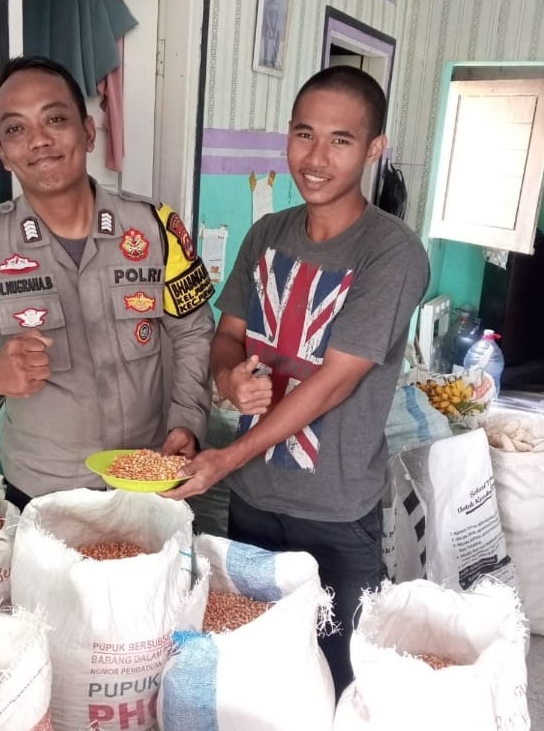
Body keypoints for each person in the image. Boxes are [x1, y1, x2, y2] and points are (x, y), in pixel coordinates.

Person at [164, 65, 430, 698]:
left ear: (373, 149)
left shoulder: (392, 253)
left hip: (335, 513)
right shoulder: (267, 234)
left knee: (336, 678)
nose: (316, 158)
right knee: (258, 666)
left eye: (341, 140)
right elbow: (226, 335)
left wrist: (225, 457)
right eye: (304, 134)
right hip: (255, 500)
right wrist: (229, 378)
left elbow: (336, 382)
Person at [0, 55, 215, 510]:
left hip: (151, 476)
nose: (38, 140)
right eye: (16, 128)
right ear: (2, 151)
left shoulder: (155, 227)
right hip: (43, 491)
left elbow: (193, 331)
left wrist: (188, 421)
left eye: (55, 119)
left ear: (89, 131)